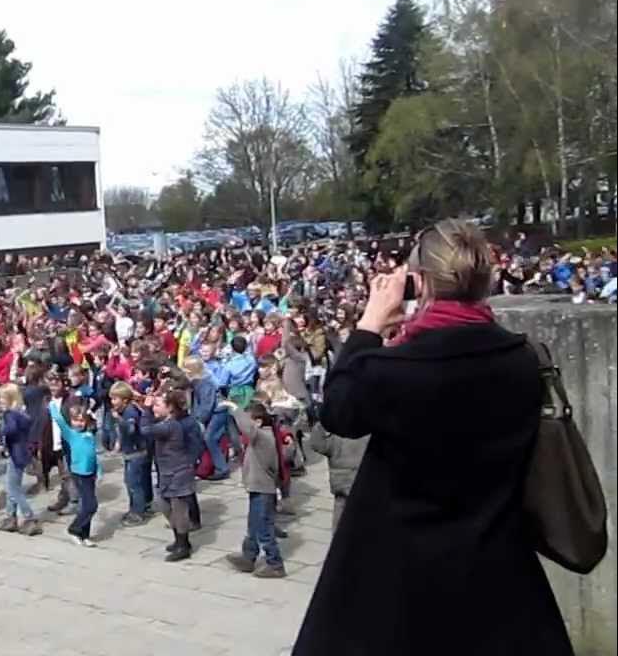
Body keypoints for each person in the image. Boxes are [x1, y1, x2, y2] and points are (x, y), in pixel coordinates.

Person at [293, 219, 571, 656]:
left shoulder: (394, 371)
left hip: (399, 582)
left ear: (418, 284)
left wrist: (368, 324)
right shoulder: (524, 360)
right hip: (497, 574)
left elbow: (339, 411)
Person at [223, 402, 285, 578]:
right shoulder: (260, 438)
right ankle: (248, 557)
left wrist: (235, 409)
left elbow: (246, 428)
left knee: (264, 529)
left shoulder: (264, 438)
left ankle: (275, 564)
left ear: (258, 422)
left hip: (264, 490)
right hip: (256, 488)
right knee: (253, 526)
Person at [145, 390, 200, 562]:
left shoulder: (170, 425)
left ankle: (183, 545)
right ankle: (179, 540)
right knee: (167, 506)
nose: (154, 407)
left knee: (179, 510)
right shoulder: (167, 423)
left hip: (178, 472)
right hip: (169, 472)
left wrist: (145, 411)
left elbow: (146, 430)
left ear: (169, 408)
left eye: (157, 405)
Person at [48, 400, 101, 547]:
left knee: (86, 505)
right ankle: (74, 529)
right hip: (79, 474)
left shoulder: (89, 435)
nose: (79, 423)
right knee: (91, 505)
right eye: (76, 420)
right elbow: (59, 420)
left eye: (81, 420)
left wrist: (99, 471)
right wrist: (52, 405)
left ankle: (84, 535)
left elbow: (93, 455)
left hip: (90, 474)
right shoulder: (70, 434)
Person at [0, 383, 41, 536]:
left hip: (16, 455)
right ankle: (10, 516)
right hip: (21, 453)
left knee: (13, 488)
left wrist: (0, 433)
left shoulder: (10, 415)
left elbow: (11, 429)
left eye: (2, 399)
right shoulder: (22, 414)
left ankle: (29, 516)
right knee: (12, 485)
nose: (0, 401)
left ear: (10, 399)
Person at [112, 382, 152, 527]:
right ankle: (140, 506)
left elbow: (130, 430)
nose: (112, 402)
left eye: (115, 399)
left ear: (125, 400)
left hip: (136, 453)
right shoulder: (126, 411)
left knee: (133, 483)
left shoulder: (130, 412)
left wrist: (119, 420)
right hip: (131, 452)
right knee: (134, 481)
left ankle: (137, 512)